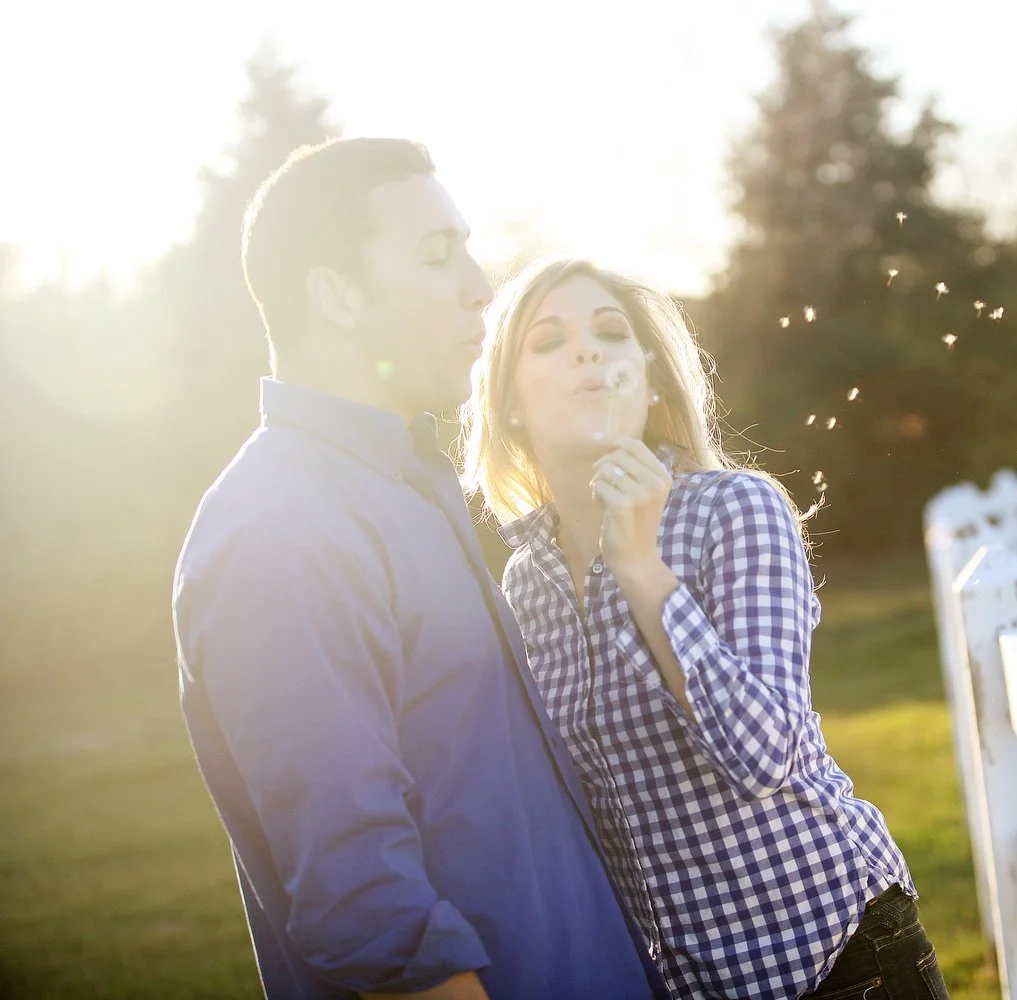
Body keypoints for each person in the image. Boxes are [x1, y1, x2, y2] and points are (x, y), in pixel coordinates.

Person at [173, 141, 667, 1000]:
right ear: (336, 296)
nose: (481, 286)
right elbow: (369, 916)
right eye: (439, 256)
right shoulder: (281, 531)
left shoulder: (407, 488)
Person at [462, 257, 950, 1000]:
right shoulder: (525, 583)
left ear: (651, 381)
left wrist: (639, 567)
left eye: (610, 332)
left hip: (837, 958)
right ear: (510, 404)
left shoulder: (737, 510)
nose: (586, 351)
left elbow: (765, 755)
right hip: (684, 984)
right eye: (547, 341)